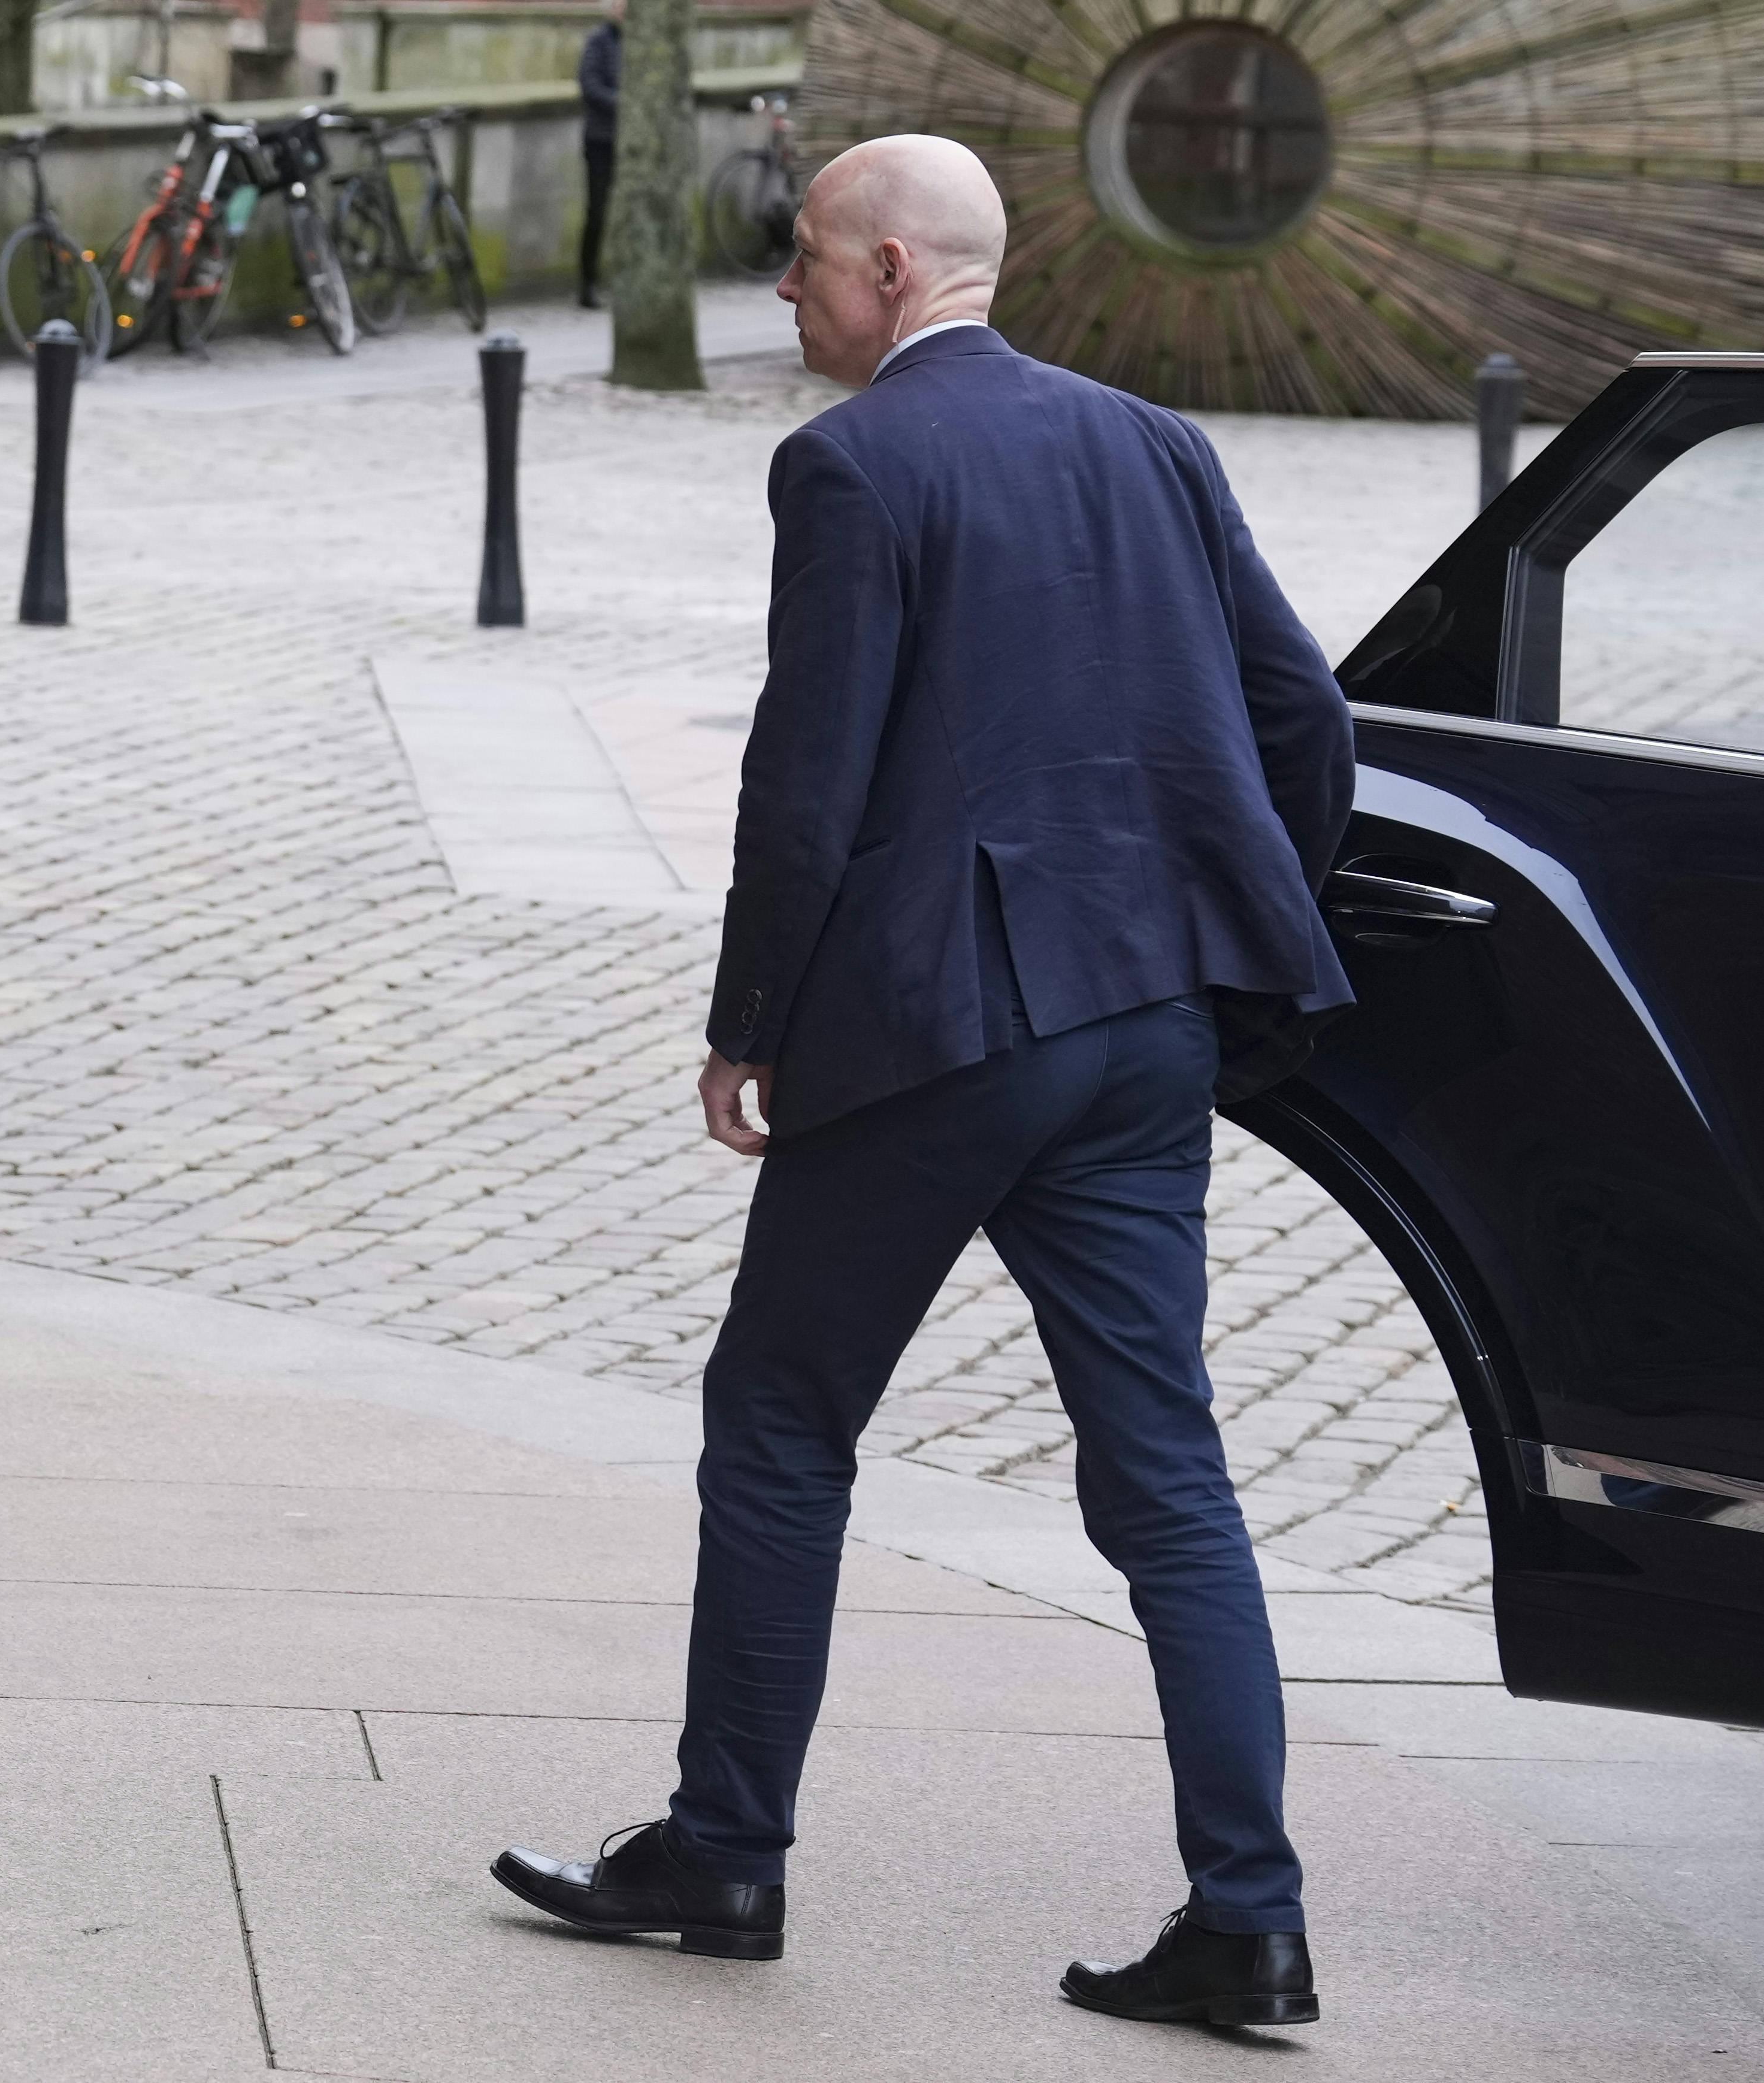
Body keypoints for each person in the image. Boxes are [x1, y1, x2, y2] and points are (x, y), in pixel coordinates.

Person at [489, 135, 1353, 2027]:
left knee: (783, 1421)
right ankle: (1253, 1915)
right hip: (1144, 1030)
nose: (783, 293)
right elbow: (1307, 714)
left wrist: (750, 1021)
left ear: (889, 267)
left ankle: (725, 1850)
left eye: (801, 260)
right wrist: (1226, 917)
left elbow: (806, 782)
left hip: (939, 1034)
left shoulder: (855, 460)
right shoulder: (1151, 442)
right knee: (1172, 1476)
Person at [577, 0, 621, 309]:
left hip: (633, 143)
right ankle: (588, 283)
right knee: (597, 212)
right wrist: (624, 103)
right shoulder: (599, 41)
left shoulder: (641, 44)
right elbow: (590, 86)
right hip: (602, 139)